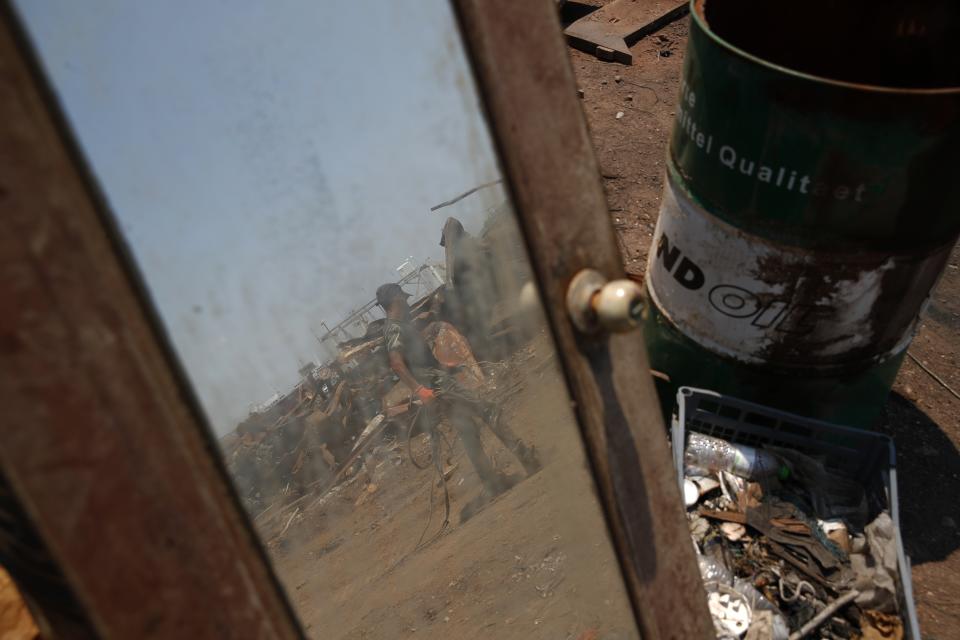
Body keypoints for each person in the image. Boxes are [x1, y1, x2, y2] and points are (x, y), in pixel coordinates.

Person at [375, 283, 540, 507]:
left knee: (467, 429)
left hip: (437, 384)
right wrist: (420, 390)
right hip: (439, 385)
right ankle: (527, 459)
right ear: (396, 300)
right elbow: (397, 364)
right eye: (403, 299)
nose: (406, 303)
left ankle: (492, 483)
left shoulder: (399, 326)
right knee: (488, 409)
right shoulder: (394, 328)